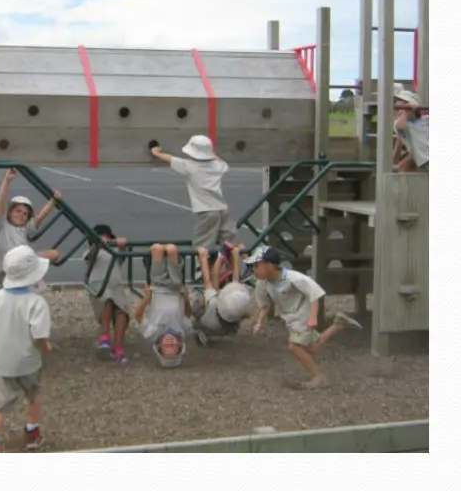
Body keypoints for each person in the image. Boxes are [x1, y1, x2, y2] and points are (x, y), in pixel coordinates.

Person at [246, 246, 362, 389]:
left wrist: (313, 317)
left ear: (269, 266)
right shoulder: (262, 284)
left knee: (294, 346)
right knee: (311, 348)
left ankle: (318, 377)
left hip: (303, 313)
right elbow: (265, 305)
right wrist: (259, 322)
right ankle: (338, 324)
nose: (254, 269)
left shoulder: (293, 278)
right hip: (290, 318)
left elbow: (315, 293)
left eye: (257, 265)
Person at [0, 245, 53, 453]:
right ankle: (31, 432)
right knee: (33, 394)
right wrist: (46, 348)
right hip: (29, 361)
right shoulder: (37, 302)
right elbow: (39, 336)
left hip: (2, 361)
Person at [150, 136, 234, 275]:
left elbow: (170, 158)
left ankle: (201, 272)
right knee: (227, 240)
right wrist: (212, 153)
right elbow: (223, 164)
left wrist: (156, 153)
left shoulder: (189, 166)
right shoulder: (217, 166)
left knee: (202, 243)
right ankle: (227, 267)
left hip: (207, 211)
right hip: (223, 209)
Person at [0, 168, 61, 281]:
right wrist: (7, 181)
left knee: (55, 254)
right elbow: (1, 201)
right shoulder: (2, 223)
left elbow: (41, 216)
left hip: (25, 263)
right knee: (13, 291)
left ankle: (32, 274)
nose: (21, 215)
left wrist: (52, 201)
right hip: (8, 268)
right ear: (9, 212)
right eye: (17, 211)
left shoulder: (26, 228)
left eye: (25, 214)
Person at [134, 243, 192, 368]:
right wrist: (186, 299)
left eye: (167, 346)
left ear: (159, 347)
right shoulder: (182, 332)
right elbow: (187, 315)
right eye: (173, 345)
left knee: (156, 248)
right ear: (179, 345)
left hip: (157, 286)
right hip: (175, 288)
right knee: (172, 249)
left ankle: (160, 250)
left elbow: (138, 316)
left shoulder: (152, 334)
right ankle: (167, 250)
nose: (170, 342)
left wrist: (146, 298)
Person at [84, 224, 131, 364]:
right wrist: (100, 244)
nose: (104, 239)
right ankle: (105, 335)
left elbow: (123, 249)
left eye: (106, 236)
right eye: (100, 236)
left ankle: (118, 347)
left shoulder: (114, 252)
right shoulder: (92, 251)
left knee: (122, 311)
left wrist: (121, 244)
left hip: (114, 287)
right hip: (96, 286)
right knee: (108, 299)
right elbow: (90, 256)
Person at [190, 245, 252, 346]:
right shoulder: (241, 303)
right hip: (231, 329)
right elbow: (236, 281)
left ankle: (198, 330)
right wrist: (235, 257)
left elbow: (209, 282)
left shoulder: (213, 305)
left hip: (208, 325)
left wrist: (203, 259)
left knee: (198, 302)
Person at [393, 88, 429, 172]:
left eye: (402, 108)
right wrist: (406, 112)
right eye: (398, 110)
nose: (399, 113)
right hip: (426, 160)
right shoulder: (404, 125)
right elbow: (400, 127)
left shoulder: (425, 119)